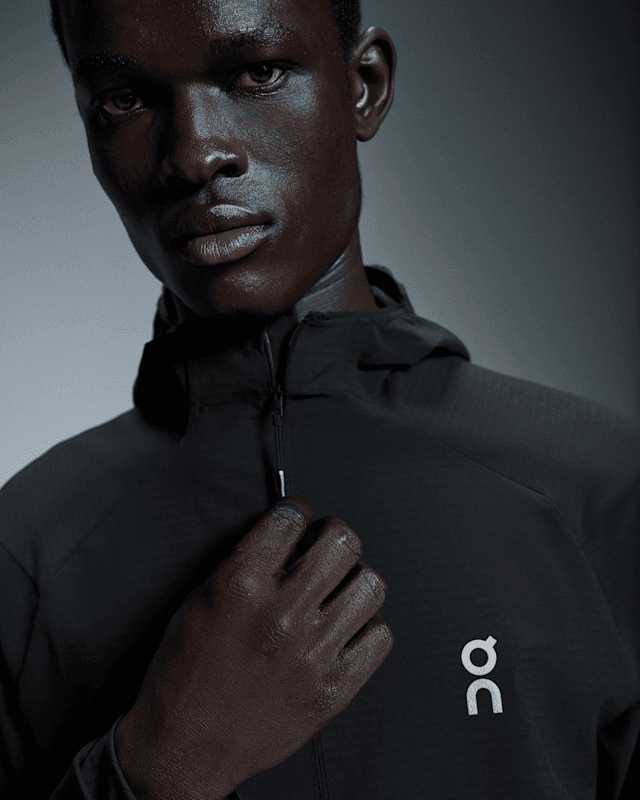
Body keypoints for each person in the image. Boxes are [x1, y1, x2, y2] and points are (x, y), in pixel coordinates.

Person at [0, 0, 638, 797]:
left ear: (364, 85)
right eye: (124, 100)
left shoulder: (600, 493)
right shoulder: (24, 555)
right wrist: (156, 768)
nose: (195, 154)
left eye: (258, 74)